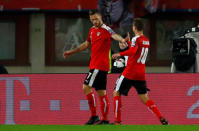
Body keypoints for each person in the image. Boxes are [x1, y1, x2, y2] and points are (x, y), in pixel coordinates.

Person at [63, 9, 126, 125]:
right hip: (99, 66)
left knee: (86, 87)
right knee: (101, 93)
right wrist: (71, 52)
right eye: (92, 20)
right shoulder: (92, 30)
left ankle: (94, 116)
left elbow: (114, 35)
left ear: (101, 17)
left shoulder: (106, 29)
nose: (95, 22)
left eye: (96, 19)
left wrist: (122, 40)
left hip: (99, 66)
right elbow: (86, 44)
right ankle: (106, 120)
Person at [112, 18, 168, 125]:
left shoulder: (136, 39)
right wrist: (128, 41)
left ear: (134, 27)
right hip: (141, 74)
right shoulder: (146, 40)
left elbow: (133, 51)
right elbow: (137, 51)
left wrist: (119, 54)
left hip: (130, 72)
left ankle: (117, 122)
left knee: (116, 92)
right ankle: (161, 118)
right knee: (144, 98)